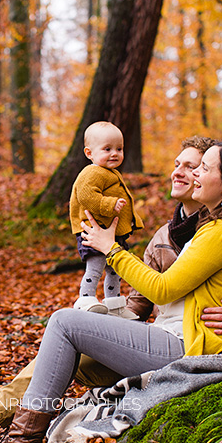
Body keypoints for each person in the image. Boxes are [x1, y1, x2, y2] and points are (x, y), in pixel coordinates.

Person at [0, 138, 222, 439]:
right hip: (161, 338)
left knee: (66, 327)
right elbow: (140, 304)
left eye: (196, 166)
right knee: (68, 339)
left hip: (191, 344)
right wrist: (103, 314)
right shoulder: (164, 237)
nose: (182, 172)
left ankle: (21, 437)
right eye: (180, 164)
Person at [69, 121, 143, 315]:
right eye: (107, 149)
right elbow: (86, 195)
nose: (115, 153)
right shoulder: (92, 172)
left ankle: (114, 303)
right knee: (95, 266)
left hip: (110, 232)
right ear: (89, 153)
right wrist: (110, 205)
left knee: (114, 269)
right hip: (94, 231)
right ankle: (85, 298)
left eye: (119, 148)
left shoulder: (109, 173)